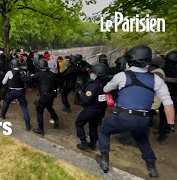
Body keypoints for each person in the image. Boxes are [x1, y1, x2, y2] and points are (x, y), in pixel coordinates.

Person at [96, 45, 175, 178]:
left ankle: (104, 160)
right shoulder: (156, 79)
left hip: (123, 117)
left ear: (130, 61)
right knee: (142, 138)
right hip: (144, 119)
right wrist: (170, 124)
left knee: (103, 129)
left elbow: (106, 90)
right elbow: (168, 103)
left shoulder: (122, 76)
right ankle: (151, 166)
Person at [75, 63, 109, 151]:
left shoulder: (94, 85)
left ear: (97, 74)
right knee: (93, 126)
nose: (91, 74)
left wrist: (80, 92)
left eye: (93, 73)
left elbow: (87, 100)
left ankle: (83, 143)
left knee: (79, 123)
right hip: (100, 110)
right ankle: (93, 143)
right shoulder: (106, 84)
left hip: (91, 109)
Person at [27, 59, 59, 135]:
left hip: (44, 96)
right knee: (49, 107)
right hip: (51, 95)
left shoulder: (38, 74)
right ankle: (57, 122)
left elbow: (29, 81)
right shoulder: (51, 74)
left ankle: (40, 129)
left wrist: (30, 76)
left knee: (39, 111)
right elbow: (56, 84)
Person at [0, 58, 31, 131]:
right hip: (20, 92)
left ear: (12, 65)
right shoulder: (23, 72)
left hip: (12, 92)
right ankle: (28, 124)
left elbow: (3, 82)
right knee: (24, 107)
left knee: (6, 103)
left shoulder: (9, 72)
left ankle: (3, 115)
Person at [158, 51, 177, 144]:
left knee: (163, 115)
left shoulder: (162, 70)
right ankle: (165, 132)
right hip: (174, 97)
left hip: (163, 97)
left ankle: (163, 134)